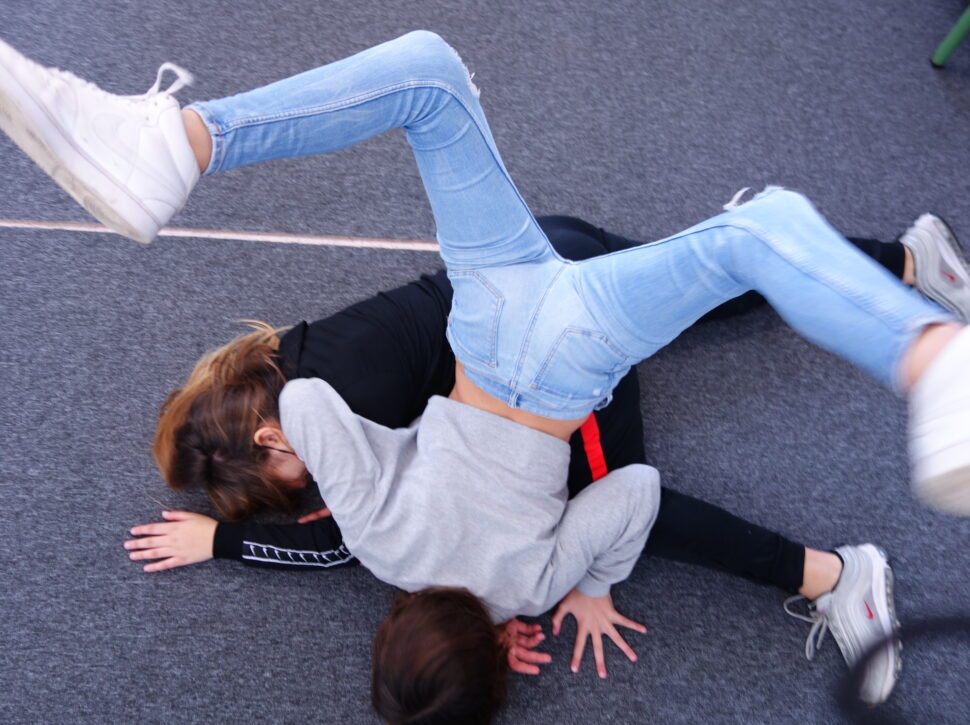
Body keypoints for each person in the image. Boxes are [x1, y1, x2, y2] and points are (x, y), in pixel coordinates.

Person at [2, 30, 969, 719]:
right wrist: (322, 460)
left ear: (506, 655)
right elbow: (302, 402)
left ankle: (930, 359)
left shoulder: (529, 583)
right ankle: (181, 141)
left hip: (566, 357)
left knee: (759, 235)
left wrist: (590, 581)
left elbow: (632, 490)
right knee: (428, 72)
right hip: (491, 305)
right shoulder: (375, 537)